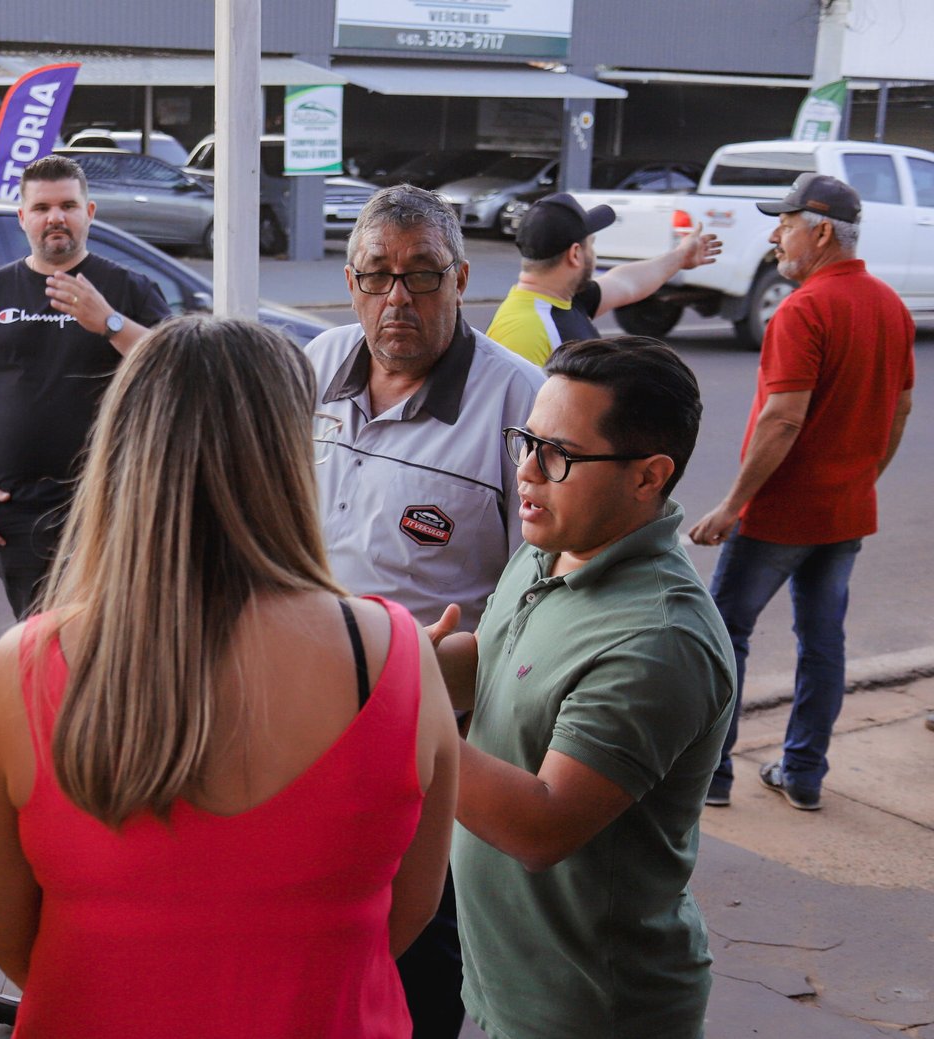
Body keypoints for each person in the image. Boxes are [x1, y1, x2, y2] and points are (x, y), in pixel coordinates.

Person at [0, 315, 459, 1037]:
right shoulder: (397, 656)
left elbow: (1, 932)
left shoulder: (26, 666)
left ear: (124, 455)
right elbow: (409, 912)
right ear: (290, 457)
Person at [305, 183, 542, 1038]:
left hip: (431, 732)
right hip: (303, 715)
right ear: (351, 279)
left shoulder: (521, 404)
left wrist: (447, 672)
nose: (397, 298)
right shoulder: (314, 366)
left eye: (422, 276)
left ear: (463, 279)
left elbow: (539, 596)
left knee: (419, 945)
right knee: (315, 931)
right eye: (377, 276)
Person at [449, 337, 736, 1039]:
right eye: (526, 441)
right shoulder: (548, 546)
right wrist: (387, 660)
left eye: (558, 455)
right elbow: (492, 660)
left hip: (592, 1009)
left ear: (648, 476)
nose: (525, 471)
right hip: (504, 981)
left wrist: (396, 716)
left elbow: (540, 824)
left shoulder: (658, 640)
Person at [689, 173, 914, 811]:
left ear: (819, 232)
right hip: (846, 514)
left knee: (721, 635)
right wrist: (862, 478)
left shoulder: (804, 308)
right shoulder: (889, 305)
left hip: (778, 517)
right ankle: (804, 772)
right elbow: (899, 411)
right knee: (823, 643)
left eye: (784, 224)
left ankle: (714, 777)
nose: (773, 235)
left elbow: (782, 417)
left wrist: (732, 505)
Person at [0, 154, 170, 619]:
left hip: (111, 502)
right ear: (23, 218)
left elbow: (176, 370)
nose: (55, 217)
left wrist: (110, 323)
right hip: (17, 509)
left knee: (110, 636)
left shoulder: (130, 290)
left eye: (68, 205)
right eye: (41, 208)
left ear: (90, 213)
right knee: (37, 639)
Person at [486, 192, 721, 366]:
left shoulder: (564, 300)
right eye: (592, 245)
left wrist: (680, 257)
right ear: (575, 254)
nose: (594, 254)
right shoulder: (525, 332)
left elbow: (625, 283)